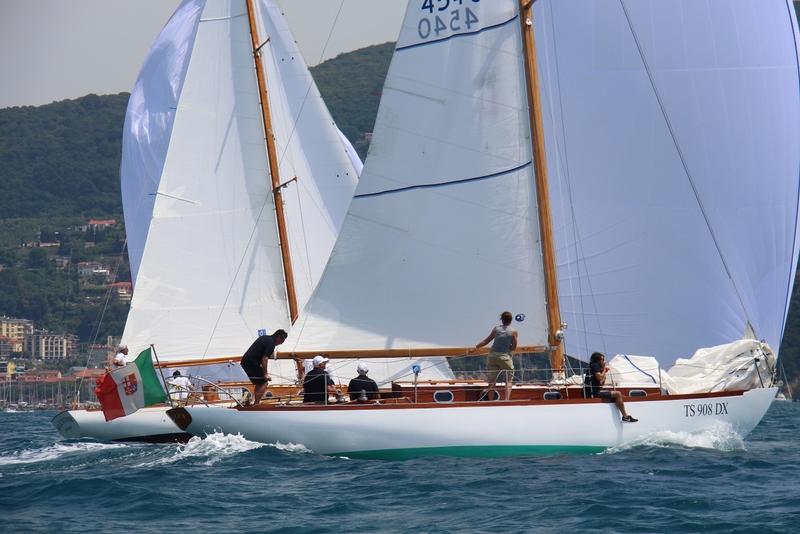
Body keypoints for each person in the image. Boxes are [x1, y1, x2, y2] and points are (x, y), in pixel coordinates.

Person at [473, 311, 517, 400]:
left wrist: (475, 348)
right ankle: (506, 400)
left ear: (502, 319)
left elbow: (486, 340)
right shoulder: (514, 332)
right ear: (511, 320)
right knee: (508, 380)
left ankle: (490, 400)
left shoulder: (496, 329)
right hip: (504, 357)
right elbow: (514, 347)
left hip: (492, 356)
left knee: (492, 380)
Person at [584, 352, 638, 422]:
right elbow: (599, 377)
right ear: (598, 360)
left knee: (619, 395)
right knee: (618, 394)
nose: (604, 362)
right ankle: (625, 416)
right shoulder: (595, 365)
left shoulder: (593, 366)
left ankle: (623, 412)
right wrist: (604, 370)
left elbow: (601, 383)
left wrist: (604, 373)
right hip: (594, 394)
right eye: (603, 360)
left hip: (593, 392)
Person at [240, 329, 288, 404]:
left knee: (259, 382)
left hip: (246, 361)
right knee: (264, 382)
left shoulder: (265, 338)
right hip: (251, 362)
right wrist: (265, 374)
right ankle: (256, 403)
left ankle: (255, 402)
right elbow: (265, 359)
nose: (281, 343)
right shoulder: (271, 344)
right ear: (278, 337)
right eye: (282, 341)